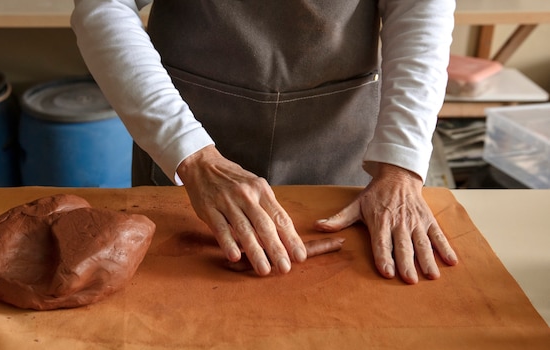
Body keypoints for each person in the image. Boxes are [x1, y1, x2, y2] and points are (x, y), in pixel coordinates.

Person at [71, 0, 459, 283]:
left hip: (339, 152)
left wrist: (400, 167)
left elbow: (420, 9)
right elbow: (104, 5)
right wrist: (189, 151)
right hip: (186, 151)